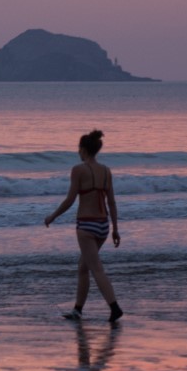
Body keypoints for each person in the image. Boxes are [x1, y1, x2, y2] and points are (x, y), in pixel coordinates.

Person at [43, 128, 123, 323]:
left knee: (96, 268)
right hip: (103, 226)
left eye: (79, 149)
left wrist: (52, 216)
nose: (78, 152)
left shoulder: (78, 170)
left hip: (86, 226)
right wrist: (115, 229)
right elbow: (111, 202)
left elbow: (70, 199)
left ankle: (115, 307)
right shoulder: (106, 171)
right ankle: (78, 310)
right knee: (82, 267)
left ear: (84, 150)